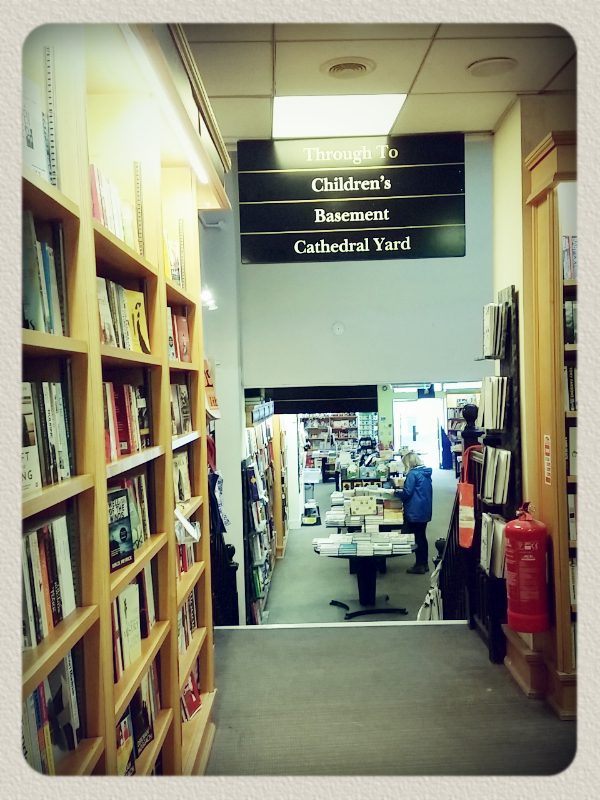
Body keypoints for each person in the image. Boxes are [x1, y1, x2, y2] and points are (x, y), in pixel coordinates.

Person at [395, 451, 433, 574]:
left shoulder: (412, 474)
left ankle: (419, 565)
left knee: (417, 538)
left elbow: (407, 493)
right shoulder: (425, 473)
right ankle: (424, 563)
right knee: (422, 536)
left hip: (414, 510)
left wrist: (395, 493)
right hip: (424, 509)